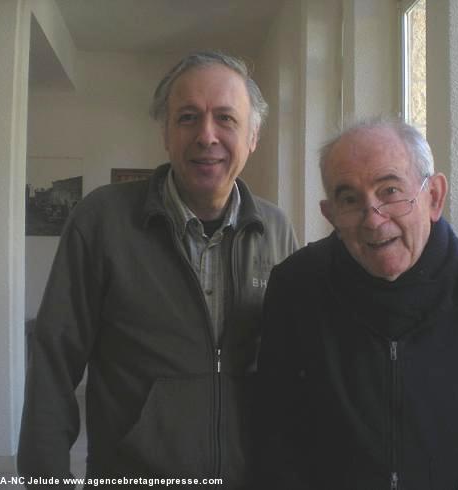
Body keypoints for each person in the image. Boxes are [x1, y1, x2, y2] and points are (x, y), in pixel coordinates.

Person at [18, 51, 297, 488]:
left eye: (226, 118)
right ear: (166, 132)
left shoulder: (276, 229)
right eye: (187, 117)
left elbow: (290, 364)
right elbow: (54, 364)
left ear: (253, 136)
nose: (207, 135)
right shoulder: (101, 221)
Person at [256, 117, 458, 489]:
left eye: (390, 191)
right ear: (330, 215)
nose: (374, 220)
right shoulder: (297, 288)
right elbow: (274, 421)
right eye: (350, 199)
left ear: (434, 197)